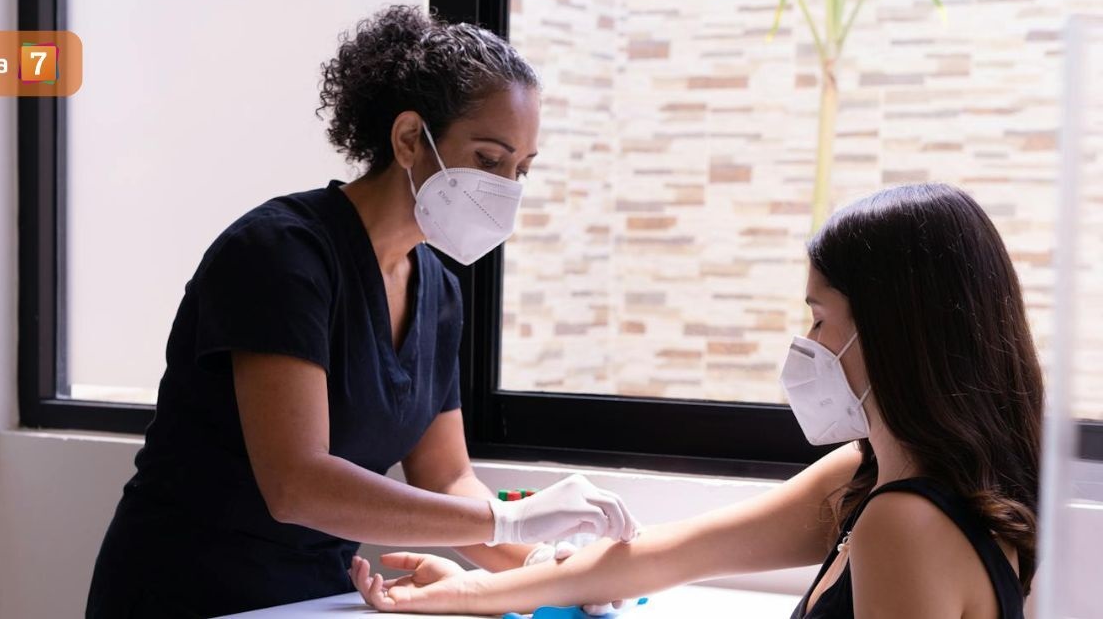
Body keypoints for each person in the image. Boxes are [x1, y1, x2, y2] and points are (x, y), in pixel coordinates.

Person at [86, 6, 637, 619]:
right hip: (189, 588)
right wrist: (509, 519)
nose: (507, 187)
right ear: (408, 139)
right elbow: (298, 484)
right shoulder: (281, 255)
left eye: (521, 170)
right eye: (488, 159)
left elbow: (445, 477)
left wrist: (543, 566)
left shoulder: (438, 290)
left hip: (319, 596)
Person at [351, 183, 1040, 619]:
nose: (808, 343)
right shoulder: (872, 481)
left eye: (820, 318)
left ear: (890, 335)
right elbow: (661, 556)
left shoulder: (903, 522)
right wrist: (472, 595)